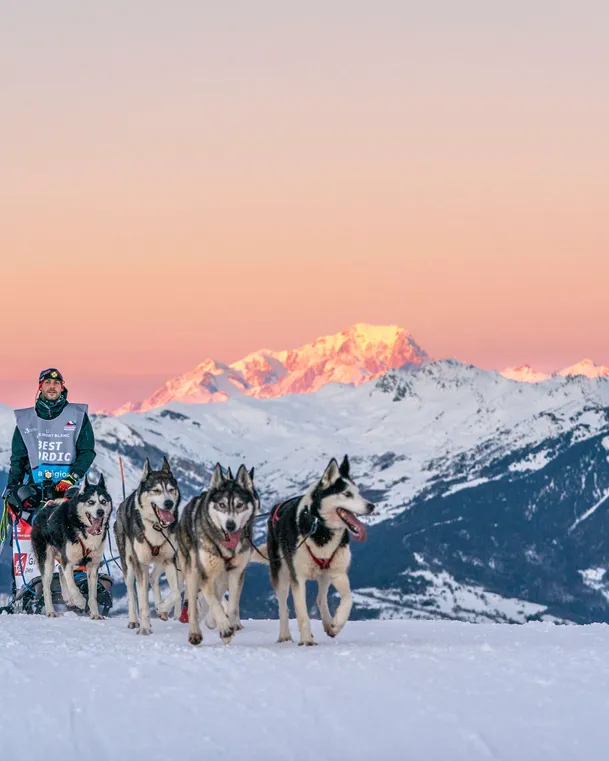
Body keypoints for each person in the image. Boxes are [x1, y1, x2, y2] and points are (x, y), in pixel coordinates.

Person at [0, 368, 96, 608]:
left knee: (77, 531)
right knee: (28, 534)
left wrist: (69, 480)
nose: (52, 386)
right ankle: (27, 585)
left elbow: (86, 453)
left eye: (56, 382)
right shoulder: (26, 420)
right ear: (40, 387)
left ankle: (79, 581)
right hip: (36, 491)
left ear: (63, 387)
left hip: (68, 491)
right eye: (48, 383)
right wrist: (12, 489)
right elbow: (18, 460)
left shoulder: (78, 415)